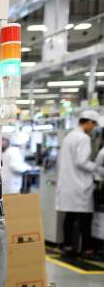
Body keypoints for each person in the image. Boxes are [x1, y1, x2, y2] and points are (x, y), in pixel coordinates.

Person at [56, 110, 102, 257]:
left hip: (69, 183)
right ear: (89, 122)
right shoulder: (83, 138)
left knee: (70, 216)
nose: (94, 129)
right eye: (94, 126)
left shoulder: (69, 136)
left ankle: (68, 246)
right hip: (79, 184)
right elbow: (82, 162)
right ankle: (87, 249)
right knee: (85, 218)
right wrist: (97, 168)